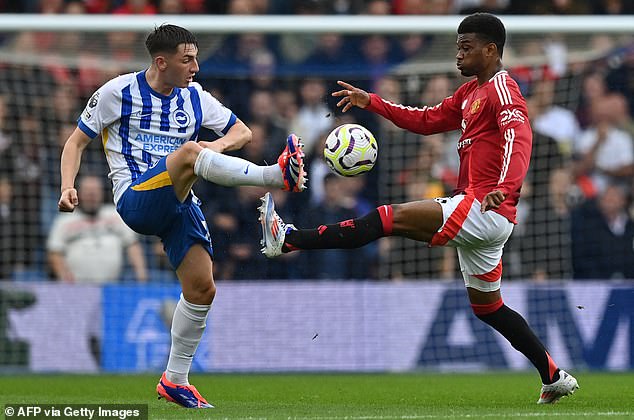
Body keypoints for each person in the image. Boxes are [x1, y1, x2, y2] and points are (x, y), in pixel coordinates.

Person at [259, 13, 578, 404]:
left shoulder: (503, 89)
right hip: (487, 214)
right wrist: (371, 101)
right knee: (489, 307)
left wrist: (504, 187)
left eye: (466, 47)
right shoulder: (469, 93)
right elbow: (426, 121)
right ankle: (553, 375)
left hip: (482, 204)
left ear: (491, 49)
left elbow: (518, 138)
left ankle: (289, 239)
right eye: (457, 46)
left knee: (385, 218)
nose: (458, 55)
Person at [58, 24, 306, 408]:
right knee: (189, 153)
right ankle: (276, 176)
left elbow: (241, 132)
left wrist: (217, 145)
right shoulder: (116, 92)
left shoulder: (194, 97)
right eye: (187, 59)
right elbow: (76, 142)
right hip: (135, 199)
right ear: (162, 61)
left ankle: (175, 380)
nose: (195, 66)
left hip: (178, 201)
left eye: (195, 57)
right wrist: (67, 185)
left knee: (202, 289)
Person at [47, 175, 148, 284]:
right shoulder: (65, 220)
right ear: (78, 193)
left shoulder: (116, 214)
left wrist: (141, 276)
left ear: (102, 193)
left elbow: (132, 244)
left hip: (112, 287)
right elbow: (54, 252)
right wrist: (65, 278)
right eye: (88, 191)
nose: (92, 195)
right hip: (75, 289)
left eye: (95, 191)